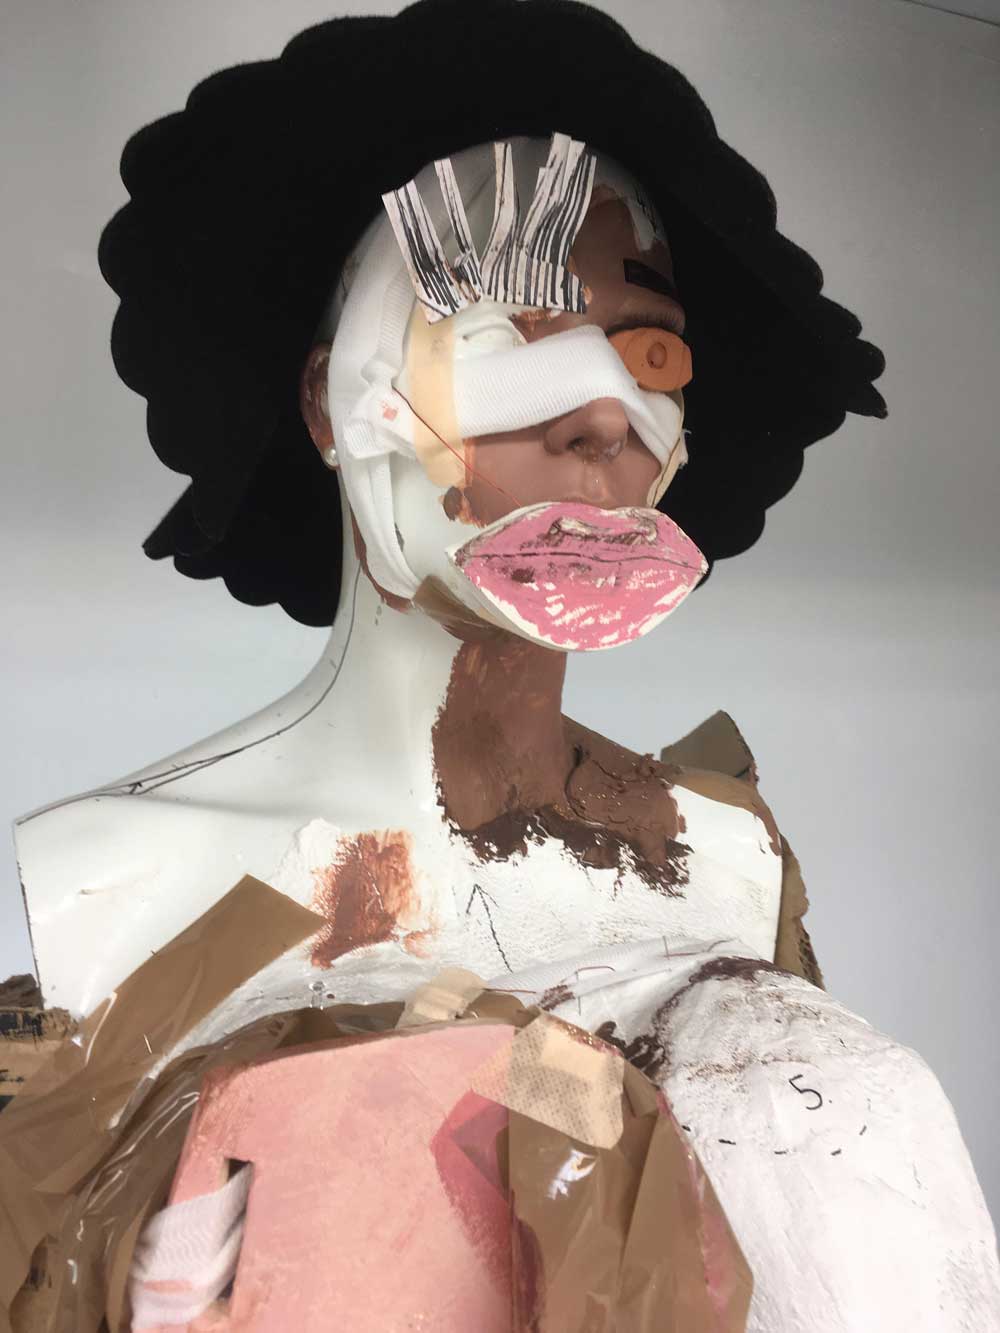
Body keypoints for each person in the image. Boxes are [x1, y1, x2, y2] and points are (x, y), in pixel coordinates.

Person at [12, 2, 1000, 1326]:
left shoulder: (727, 859)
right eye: (498, 335)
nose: (604, 413)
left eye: (650, 351)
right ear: (330, 403)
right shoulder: (126, 883)